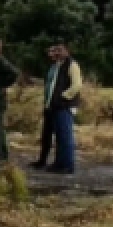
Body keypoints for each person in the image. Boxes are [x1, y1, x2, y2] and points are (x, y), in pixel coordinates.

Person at [46, 42, 82, 174]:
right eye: (56, 50)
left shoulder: (72, 65)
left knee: (66, 137)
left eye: (60, 50)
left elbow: (77, 85)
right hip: (57, 106)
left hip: (65, 106)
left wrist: (64, 96)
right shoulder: (58, 66)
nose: (57, 53)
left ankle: (67, 165)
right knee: (60, 137)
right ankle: (59, 163)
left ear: (67, 51)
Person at [30, 45, 61, 169]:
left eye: (53, 51)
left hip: (56, 105)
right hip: (48, 104)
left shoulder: (61, 67)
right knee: (46, 134)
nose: (50, 54)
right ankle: (42, 160)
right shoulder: (52, 67)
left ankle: (58, 161)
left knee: (58, 135)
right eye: (49, 51)